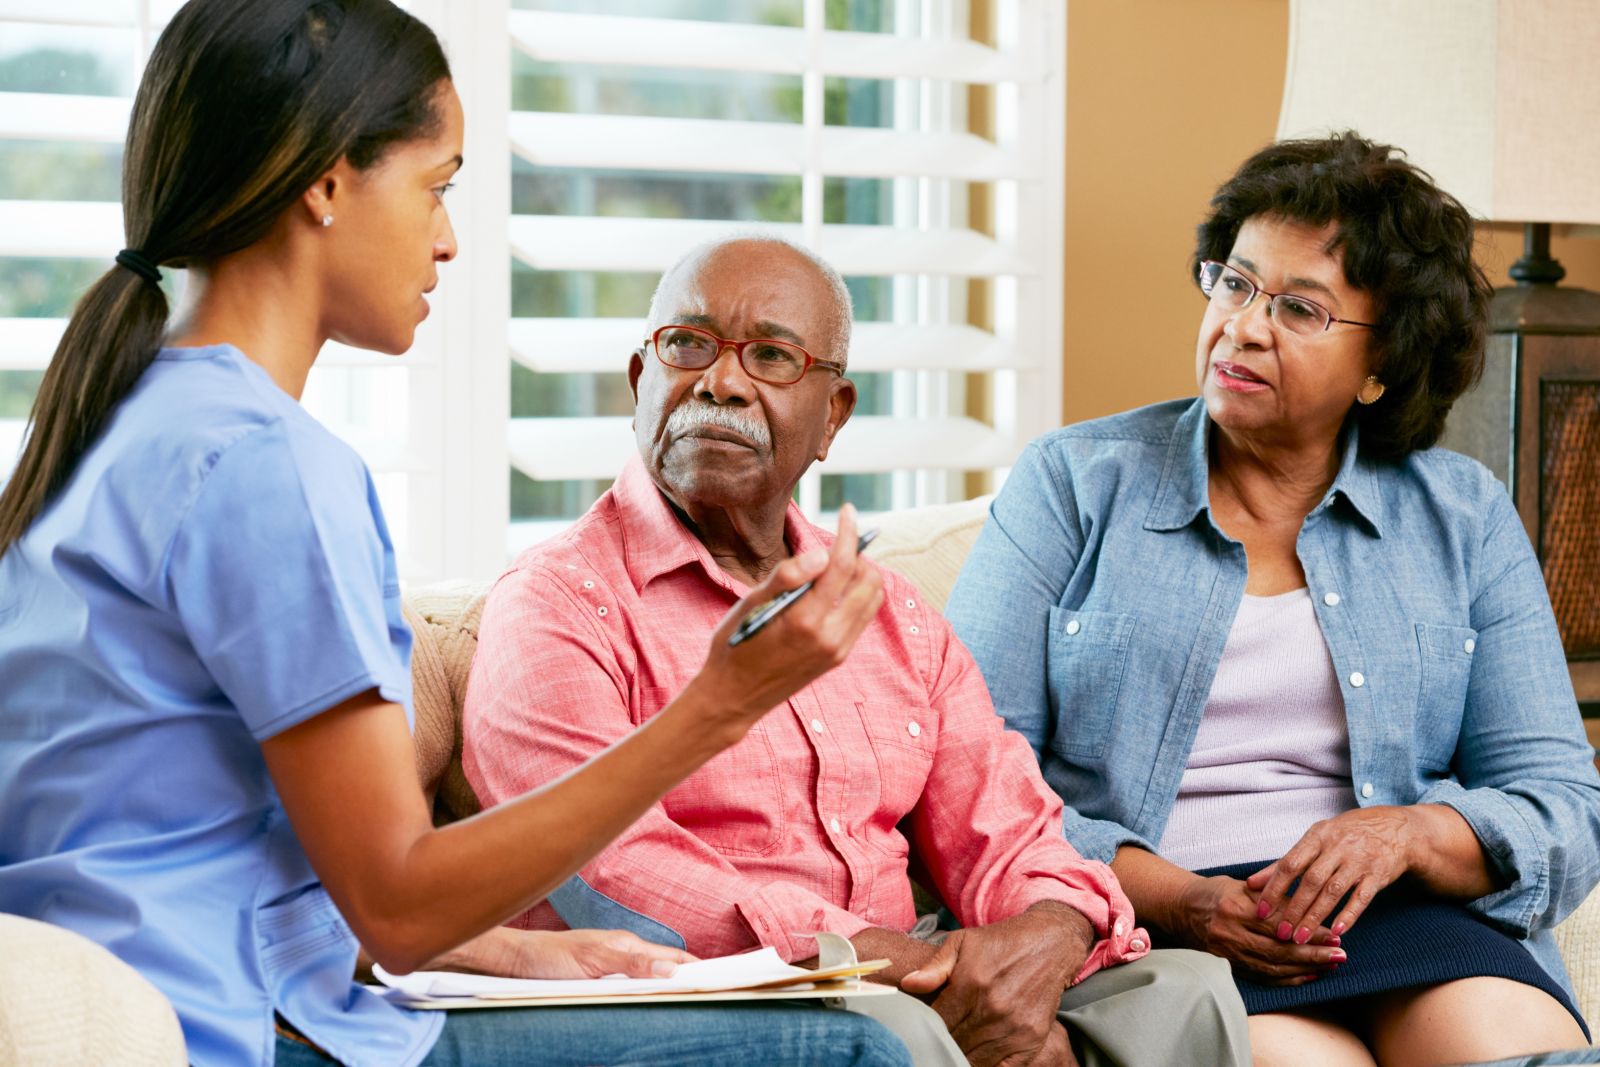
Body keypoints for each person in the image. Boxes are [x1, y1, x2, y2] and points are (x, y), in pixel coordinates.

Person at [0, 4, 913, 1066]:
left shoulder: (109, 425)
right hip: (225, 1035)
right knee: (848, 1051)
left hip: (183, 991)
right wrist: (720, 703)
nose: (448, 237)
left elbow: (179, 849)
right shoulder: (265, 464)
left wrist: (512, 952)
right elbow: (393, 898)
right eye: (437, 185)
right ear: (327, 180)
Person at [461, 234, 1252, 1067]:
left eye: (770, 355)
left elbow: (1007, 823)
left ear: (833, 414)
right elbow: (610, 873)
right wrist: (906, 966)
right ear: (640, 380)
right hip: (702, 994)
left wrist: (1045, 940)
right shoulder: (558, 602)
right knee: (892, 1028)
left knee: (1186, 990)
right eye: (687, 345)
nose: (720, 381)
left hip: (903, 970)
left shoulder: (891, 614)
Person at [945, 131, 1600, 1066]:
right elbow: (968, 780)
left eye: (1300, 308)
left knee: (1512, 1049)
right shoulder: (1074, 484)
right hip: (1168, 924)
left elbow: (1562, 801)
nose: (1243, 326)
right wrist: (1178, 896)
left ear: (1382, 367)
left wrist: (1412, 833)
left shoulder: (1463, 515)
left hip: (1402, 914)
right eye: (1235, 283)